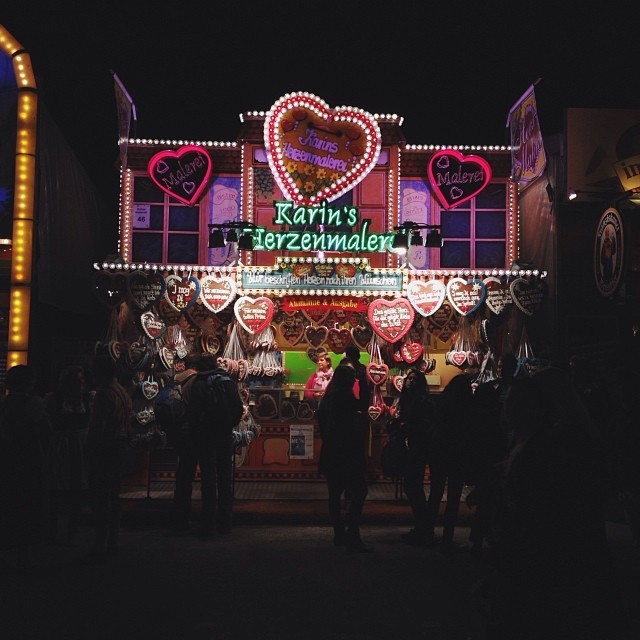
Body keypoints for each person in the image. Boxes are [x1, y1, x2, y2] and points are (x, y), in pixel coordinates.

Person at [482, 366, 633, 639]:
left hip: (547, 552)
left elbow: (540, 506)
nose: (506, 409)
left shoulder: (553, 444)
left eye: (514, 403)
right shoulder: (558, 440)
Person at [171, 354, 244, 537]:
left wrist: (198, 430)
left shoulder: (199, 382)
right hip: (225, 436)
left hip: (206, 438)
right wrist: (229, 426)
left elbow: (194, 412)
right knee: (225, 479)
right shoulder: (227, 381)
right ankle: (225, 522)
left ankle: (208, 523)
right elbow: (238, 408)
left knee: (209, 479)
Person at [0, 365, 54, 568]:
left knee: (8, 501)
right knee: (27, 503)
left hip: (7, 455)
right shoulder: (33, 404)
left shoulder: (4, 404)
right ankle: (23, 552)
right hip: (29, 456)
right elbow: (46, 431)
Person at [316, 363, 373, 553]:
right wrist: (364, 383)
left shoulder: (329, 397)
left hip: (332, 451)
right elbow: (362, 405)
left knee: (335, 494)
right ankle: (352, 534)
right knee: (359, 491)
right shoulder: (343, 396)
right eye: (351, 378)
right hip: (347, 452)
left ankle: (339, 533)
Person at [85, 353, 133, 562]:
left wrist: (90, 448)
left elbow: (98, 426)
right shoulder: (122, 391)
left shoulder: (104, 394)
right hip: (120, 445)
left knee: (101, 496)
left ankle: (100, 543)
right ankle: (112, 541)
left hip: (106, 447)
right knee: (113, 496)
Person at [423, 373, 474, 554]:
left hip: (439, 451)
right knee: (453, 498)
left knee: (435, 494)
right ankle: (447, 537)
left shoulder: (442, 402)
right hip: (457, 454)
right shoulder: (466, 407)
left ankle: (428, 533)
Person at [44, 364, 94, 545]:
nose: (80, 383)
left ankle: (72, 529)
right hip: (61, 445)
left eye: (81, 380)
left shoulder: (87, 398)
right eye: (76, 380)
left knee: (77, 486)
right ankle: (53, 528)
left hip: (80, 445)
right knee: (57, 487)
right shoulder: (54, 399)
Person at [394, 366, 436, 546]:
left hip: (419, 446)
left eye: (414, 379)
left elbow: (425, 424)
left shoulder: (422, 401)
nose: (410, 381)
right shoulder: (407, 399)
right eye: (408, 378)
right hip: (412, 445)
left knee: (413, 485)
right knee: (412, 486)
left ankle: (423, 527)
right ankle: (422, 526)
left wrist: (408, 427)